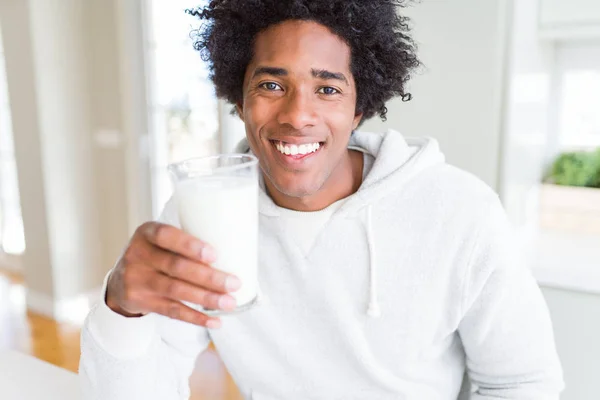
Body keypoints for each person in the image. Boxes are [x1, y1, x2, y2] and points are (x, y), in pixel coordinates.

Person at [79, 1, 564, 399]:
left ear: (360, 108)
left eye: (327, 88)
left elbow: (523, 384)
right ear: (239, 98)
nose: (297, 115)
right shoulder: (202, 213)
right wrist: (121, 310)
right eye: (271, 85)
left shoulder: (460, 212)